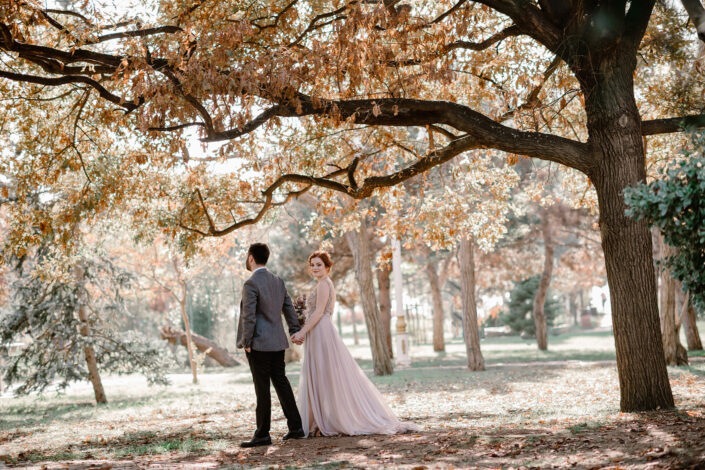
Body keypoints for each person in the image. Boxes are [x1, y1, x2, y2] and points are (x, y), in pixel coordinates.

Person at [291, 250, 419, 437]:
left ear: (327, 267)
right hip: (319, 330)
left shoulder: (324, 284)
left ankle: (325, 421)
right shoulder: (323, 284)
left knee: (324, 375)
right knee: (321, 375)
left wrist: (302, 331)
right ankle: (320, 420)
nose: (315, 268)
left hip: (321, 330)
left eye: (319, 264)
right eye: (312, 265)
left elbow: (319, 313)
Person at [236, 243, 305, 447]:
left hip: (258, 344)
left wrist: (246, 342)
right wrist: (294, 330)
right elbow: (289, 309)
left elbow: (249, 316)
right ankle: (296, 428)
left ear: (251, 258)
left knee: (262, 388)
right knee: (282, 384)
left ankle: (263, 434)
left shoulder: (251, 284)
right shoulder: (278, 281)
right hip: (277, 343)